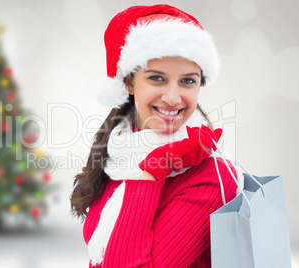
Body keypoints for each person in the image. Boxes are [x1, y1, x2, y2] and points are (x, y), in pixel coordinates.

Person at [70, 4, 244, 267]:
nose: (173, 98)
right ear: (129, 82)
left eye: (188, 81)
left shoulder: (211, 176)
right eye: (157, 78)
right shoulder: (118, 154)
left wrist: (152, 171)